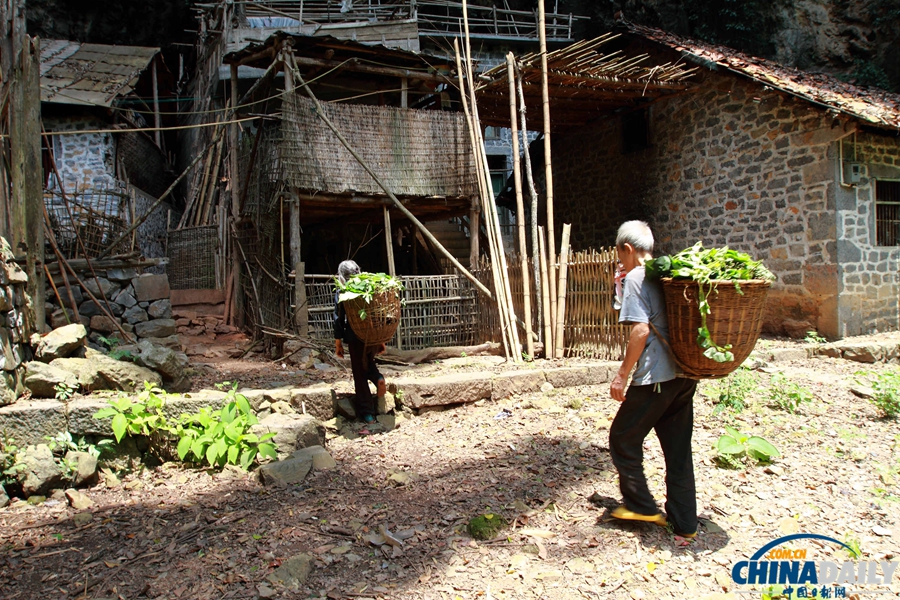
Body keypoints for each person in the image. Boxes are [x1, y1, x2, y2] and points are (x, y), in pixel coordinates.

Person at [608, 220, 699, 543]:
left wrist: (622, 375)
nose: (621, 261)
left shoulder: (636, 276)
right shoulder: (670, 274)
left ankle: (640, 505)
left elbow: (640, 330)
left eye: (621, 254)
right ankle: (685, 521)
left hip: (656, 378)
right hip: (684, 375)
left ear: (628, 249)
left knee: (622, 437)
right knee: (678, 450)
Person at [333, 260, 386, 425]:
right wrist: (381, 339)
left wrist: (338, 342)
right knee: (368, 362)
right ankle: (378, 377)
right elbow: (378, 312)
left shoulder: (344, 290)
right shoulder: (369, 286)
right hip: (373, 334)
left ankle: (368, 414)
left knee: (359, 373)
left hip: (355, 337)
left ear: (342, 275)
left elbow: (338, 317)